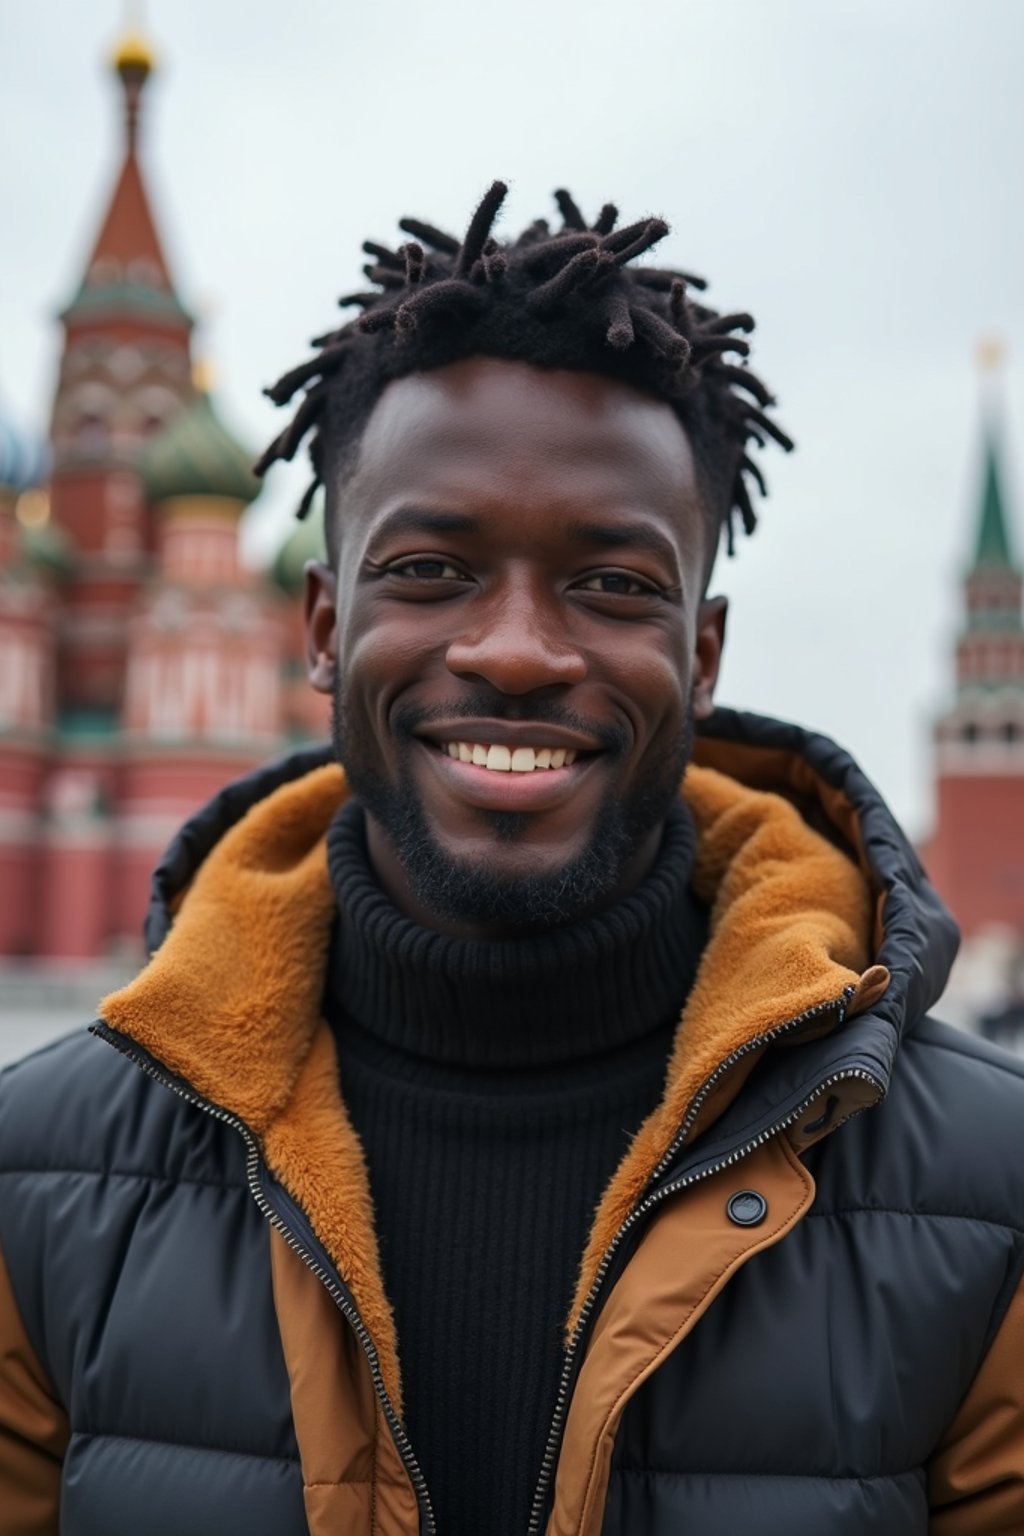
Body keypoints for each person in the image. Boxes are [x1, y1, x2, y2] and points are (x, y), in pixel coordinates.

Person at [0, 182, 1021, 1536]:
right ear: (316, 624)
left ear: (701, 657)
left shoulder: (987, 1190)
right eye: (430, 570)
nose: (518, 650)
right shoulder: (40, 1175)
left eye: (612, 584)